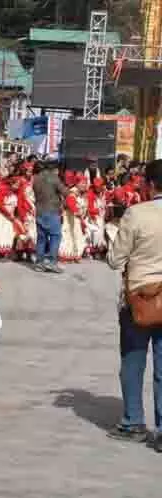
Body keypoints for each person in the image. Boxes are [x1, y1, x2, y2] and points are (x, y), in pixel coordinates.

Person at [107, 159, 162, 450]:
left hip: (140, 297)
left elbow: (115, 259)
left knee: (133, 360)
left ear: (150, 184)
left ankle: (133, 422)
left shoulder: (136, 214)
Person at [33, 162, 67, 273]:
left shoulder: (36, 179)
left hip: (39, 211)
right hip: (52, 211)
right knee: (55, 237)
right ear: (55, 169)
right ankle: (52, 263)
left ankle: (39, 263)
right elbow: (65, 192)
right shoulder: (54, 178)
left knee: (41, 238)